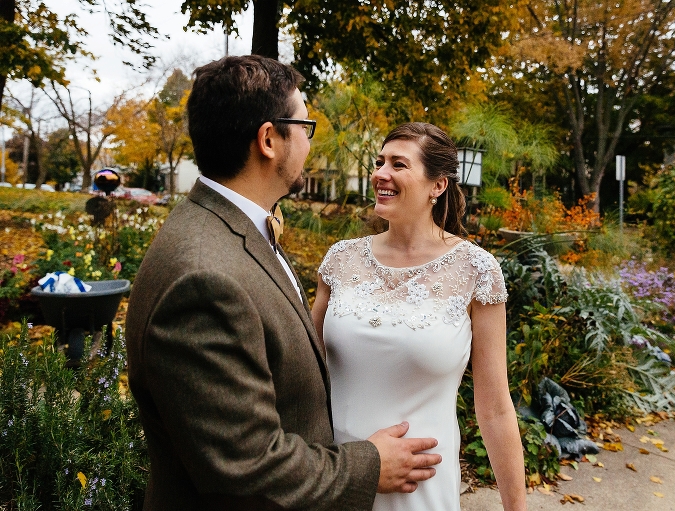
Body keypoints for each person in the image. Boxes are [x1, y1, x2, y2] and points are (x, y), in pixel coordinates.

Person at [125, 56, 442, 511]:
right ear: (269, 139)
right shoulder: (204, 279)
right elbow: (247, 466)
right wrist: (370, 465)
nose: (309, 145)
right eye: (304, 127)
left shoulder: (233, 230)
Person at [312, 122, 528, 511]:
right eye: (379, 162)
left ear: (438, 186)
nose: (381, 173)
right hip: (339, 477)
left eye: (398, 164)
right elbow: (305, 373)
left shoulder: (477, 271)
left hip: (422, 487)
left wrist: (516, 507)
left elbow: (495, 407)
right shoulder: (340, 261)